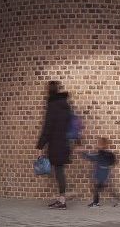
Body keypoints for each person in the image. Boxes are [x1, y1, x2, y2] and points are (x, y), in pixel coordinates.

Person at [36, 80, 73, 209]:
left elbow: (48, 127)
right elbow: (69, 122)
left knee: (59, 172)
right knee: (59, 171)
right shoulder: (65, 105)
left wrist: (40, 145)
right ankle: (61, 199)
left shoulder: (52, 105)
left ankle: (62, 202)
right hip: (64, 143)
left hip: (56, 144)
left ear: (49, 90)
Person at [83, 136, 120, 207]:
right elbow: (113, 162)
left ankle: (96, 203)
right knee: (101, 188)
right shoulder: (106, 154)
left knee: (100, 188)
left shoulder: (101, 154)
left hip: (101, 175)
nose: (96, 145)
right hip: (104, 174)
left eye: (98, 143)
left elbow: (90, 156)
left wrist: (82, 153)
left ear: (102, 145)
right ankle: (114, 199)